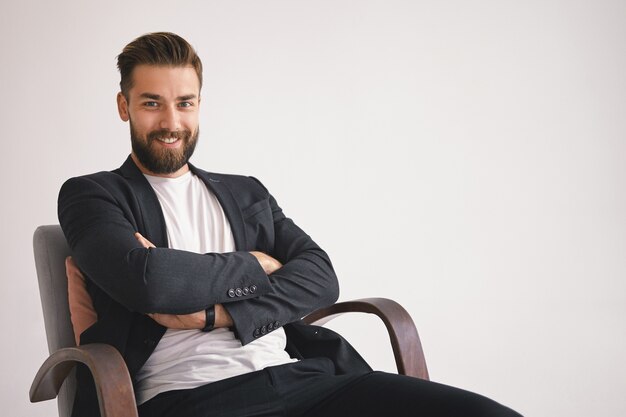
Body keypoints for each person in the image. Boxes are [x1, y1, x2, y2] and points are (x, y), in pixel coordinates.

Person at [58, 32, 522, 417]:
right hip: (194, 399)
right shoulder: (92, 195)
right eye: (152, 104)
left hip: (306, 380)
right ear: (124, 106)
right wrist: (259, 264)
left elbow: (321, 276)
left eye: (185, 103)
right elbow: (149, 283)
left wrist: (212, 314)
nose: (171, 121)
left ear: (200, 104)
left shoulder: (245, 192)